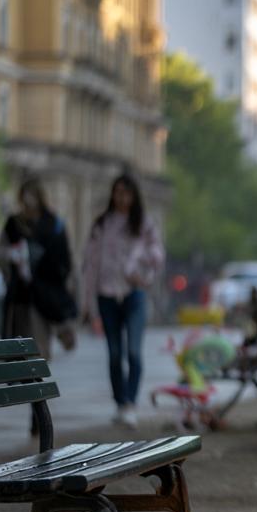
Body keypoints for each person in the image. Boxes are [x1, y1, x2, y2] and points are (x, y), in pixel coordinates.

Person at [81, 174, 165, 430]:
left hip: (134, 293)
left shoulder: (143, 224)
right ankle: (120, 402)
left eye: (126, 192)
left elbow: (157, 255)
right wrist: (87, 304)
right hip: (106, 294)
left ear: (134, 195)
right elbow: (90, 265)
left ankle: (130, 402)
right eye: (117, 192)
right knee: (115, 353)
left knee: (134, 352)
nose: (121, 197)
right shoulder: (102, 224)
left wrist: (142, 271)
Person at [0, 178, 77, 358]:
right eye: (24, 196)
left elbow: (65, 261)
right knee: (17, 346)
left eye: (32, 196)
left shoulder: (53, 224)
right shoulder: (13, 224)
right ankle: (22, 381)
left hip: (44, 295)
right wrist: (14, 257)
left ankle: (35, 380)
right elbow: (0, 254)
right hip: (20, 295)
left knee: (38, 348)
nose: (27, 201)